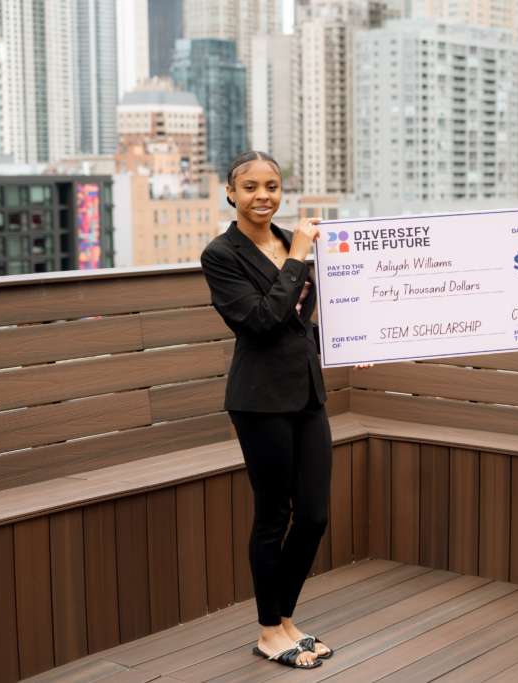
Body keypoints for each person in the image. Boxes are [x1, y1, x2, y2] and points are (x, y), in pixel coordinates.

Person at [200, 150, 333, 670]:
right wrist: (298, 257)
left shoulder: (285, 241)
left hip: (307, 394)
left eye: (272, 186)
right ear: (231, 192)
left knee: (315, 515)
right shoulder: (221, 255)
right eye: (251, 187)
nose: (263, 196)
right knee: (274, 515)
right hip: (259, 401)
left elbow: (300, 324)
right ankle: (267, 630)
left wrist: (348, 344)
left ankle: (285, 619)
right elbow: (260, 321)